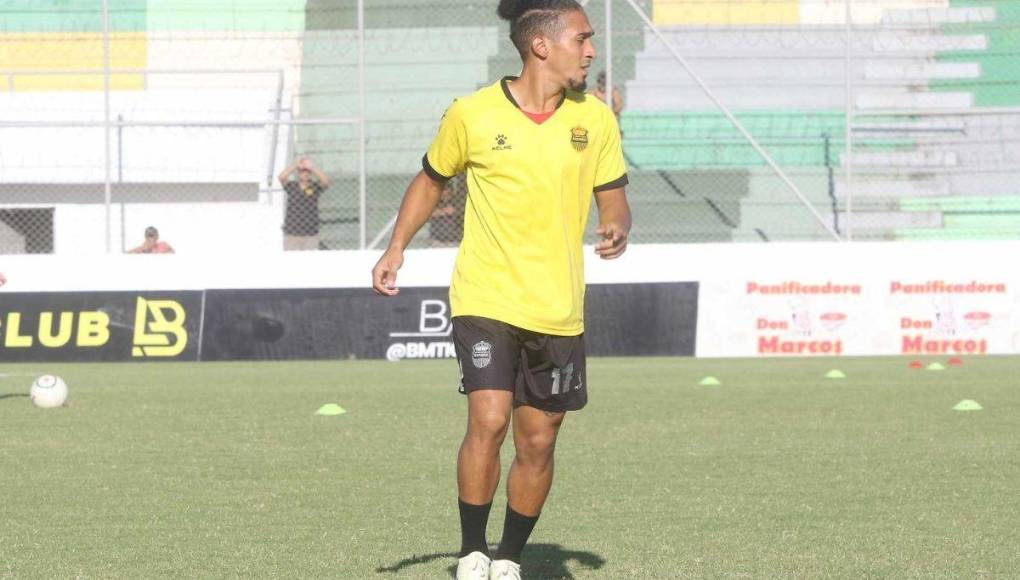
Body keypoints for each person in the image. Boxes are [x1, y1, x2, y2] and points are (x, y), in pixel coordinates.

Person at [371, 1, 631, 578]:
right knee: (488, 418)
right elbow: (431, 179)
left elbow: (612, 194)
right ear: (542, 45)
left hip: (558, 306)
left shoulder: (598, 121)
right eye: (582, 39)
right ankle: (471, 551)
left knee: (538, 439)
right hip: (485, 297)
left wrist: (618, 225)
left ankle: (508, 558)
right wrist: (396, 248)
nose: (591, 51)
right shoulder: (473, 113)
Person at [279, 157, 330, 251]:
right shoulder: (292, 186)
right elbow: (281, 177)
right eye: (302, 171)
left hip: (310, 233)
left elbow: (326, 181)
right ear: (298, 173)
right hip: (292, 232)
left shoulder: (314, 187)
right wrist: (295, 165)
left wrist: (312, 167)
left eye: (307, 171)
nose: (305, 173)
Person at [429, 173, 467, 247]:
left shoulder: (456, 200)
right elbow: (426, 214)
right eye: (443, 191)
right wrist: (444, 212)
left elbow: (462, 210)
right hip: (437, 239)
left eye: (447, 190)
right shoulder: (434, 201)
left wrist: (455, 211)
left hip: (455, 239)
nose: (445, 193)